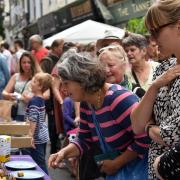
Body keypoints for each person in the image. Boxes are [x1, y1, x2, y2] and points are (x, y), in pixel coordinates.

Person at [48, 53, 150, 179]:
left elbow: (145, 138)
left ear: (82, 79)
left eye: (66, 83)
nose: (62, 89)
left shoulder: (119, 99)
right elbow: (84, 139)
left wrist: (117, 163)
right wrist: (63, 153)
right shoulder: (86, 103)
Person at [130, 0, 180, 179]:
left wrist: (150, 126)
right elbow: (136, 125)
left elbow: (172, 136)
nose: (152, 38)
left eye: (155, 30)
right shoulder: (164, 67)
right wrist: (154, 87)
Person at [23, 72, 52, 174]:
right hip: (42, 136)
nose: (32, 82)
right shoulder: (40, 99)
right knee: (40, 161)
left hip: (36, 139)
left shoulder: (34, 101)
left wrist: (30, 136)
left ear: (40, 87)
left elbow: (33, 120)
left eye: (34, 81)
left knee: (39, 164)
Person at [40, 39, 64, 154]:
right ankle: (53, 151)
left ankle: (56, 149)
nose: (62, 49)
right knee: (53, 125)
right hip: (50, 99)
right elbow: (43, 82)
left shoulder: (59, 60)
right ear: (55, 48)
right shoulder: (47, 60)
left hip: (54, 97)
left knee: (56, 125)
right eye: (61, 47)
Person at [2, 52, 40, 121]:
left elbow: (46, 95)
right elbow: (4, 92)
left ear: (33, 64)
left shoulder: (38, 77)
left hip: (32, 114)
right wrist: (9, 95)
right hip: (16, 113)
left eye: (29, 62)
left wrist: (31, 98)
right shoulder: (16, 76)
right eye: (24, 62)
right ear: (20, 64)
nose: (26, 65)